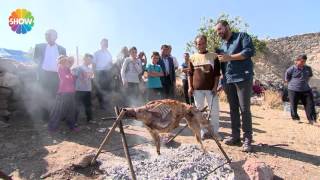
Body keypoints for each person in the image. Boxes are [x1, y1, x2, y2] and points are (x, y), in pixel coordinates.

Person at [215, 20, 255, 152]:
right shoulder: (222, 46)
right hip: (228, 80)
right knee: (233, 109)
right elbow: (222, 66)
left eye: (220, 29)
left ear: (227, 27)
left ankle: (247, 140)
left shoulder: (242, 36)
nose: (219, 32)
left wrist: (229, 57)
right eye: (217, 31)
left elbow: (248, 52)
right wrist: (222, 82)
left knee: (244, 109)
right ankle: (235, 137)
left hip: (243, 77)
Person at [188, 35, 221, 140]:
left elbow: (217, 74)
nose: (200, 45)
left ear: (206, 43)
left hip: (211, 89)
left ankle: (215, 132)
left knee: (214, 111)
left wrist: (215, 87)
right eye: (198, 44)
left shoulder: (214, 56)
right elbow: (190, 74)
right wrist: (190, 87)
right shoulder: (192, 57)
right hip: (197, 90)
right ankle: (203, 132)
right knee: (199, 112)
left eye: (202, 43)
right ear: (196, 45)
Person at [33, 29, 66, 118]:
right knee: (44, 95)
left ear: (56, 37)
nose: (47, 36)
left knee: (56, 96)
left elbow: (64, 63)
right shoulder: (39, 46)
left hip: (57, 76)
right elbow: (35, 60)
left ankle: (56, 115)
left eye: (49, 35)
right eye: (46, 34)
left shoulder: (62, 49)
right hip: (44, 75)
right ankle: (45, 116)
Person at [48, 56, 78, 132]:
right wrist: (71, 75)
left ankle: (71, 126)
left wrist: (74, 76)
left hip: (71, 92)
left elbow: (73, 79)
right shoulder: (60, 68)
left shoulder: (68, 69)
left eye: (67, 61)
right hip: (63, 92)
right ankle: (52, 127)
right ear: (61, 62)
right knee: (58, 111)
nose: (68, 62)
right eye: (65, 61)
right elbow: (65, 78)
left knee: (71, 110)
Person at [285, 54, 317, 124]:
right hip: (293, 89)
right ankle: (295, 118)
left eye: (304, 61)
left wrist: (304, 83)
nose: (303, 63)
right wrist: (292, 85)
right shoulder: (291, 69)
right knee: (293, 104)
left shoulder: (308, 68)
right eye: (301, 61)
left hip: (306, 89)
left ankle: (312, 119)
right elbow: (287, 79)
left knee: (310, 104)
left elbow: (309, 76)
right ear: (296, 61)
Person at [73, 53, 94, 123]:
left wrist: (87, 76)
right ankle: (74, 121)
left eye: (91, 60)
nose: (90, 61)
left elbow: (90, 77)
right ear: (84, 59)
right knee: (77, 106)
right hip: (79, 89)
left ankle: (89, 119)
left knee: (88, 105)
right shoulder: (79, 67)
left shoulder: (90, 69)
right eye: (89, 59)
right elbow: (74, 75)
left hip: (88, 89)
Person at [93, 38, 113, 109]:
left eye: (107, 43)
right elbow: (94, 64)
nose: (105, 44)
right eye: (104, 43)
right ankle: (101, 104)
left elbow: (111, 64)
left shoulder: (109, 54)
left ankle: (105, 104)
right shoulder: (96, 53)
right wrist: (94, 73)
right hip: (99, 72)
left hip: (107, 73)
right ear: (101, 44)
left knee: (107, 88)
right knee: (99, 88)